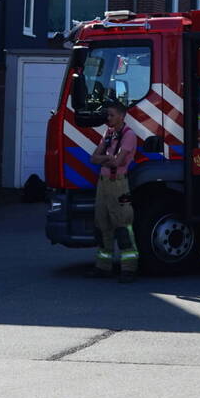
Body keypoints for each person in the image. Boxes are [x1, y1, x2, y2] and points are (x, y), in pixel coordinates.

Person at [86, 101, 139, 282]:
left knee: (123, 226)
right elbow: (93, 158)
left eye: (111, 115)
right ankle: (103, 267)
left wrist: (107, 159)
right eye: (108, 115)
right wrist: (107, 158)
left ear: (122, 116)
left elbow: (117, 162)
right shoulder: (108, 133)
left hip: (118, 185)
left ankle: (129, 270)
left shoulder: (129, 135)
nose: (108, 118)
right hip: (103, 184)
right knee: (102, 225)